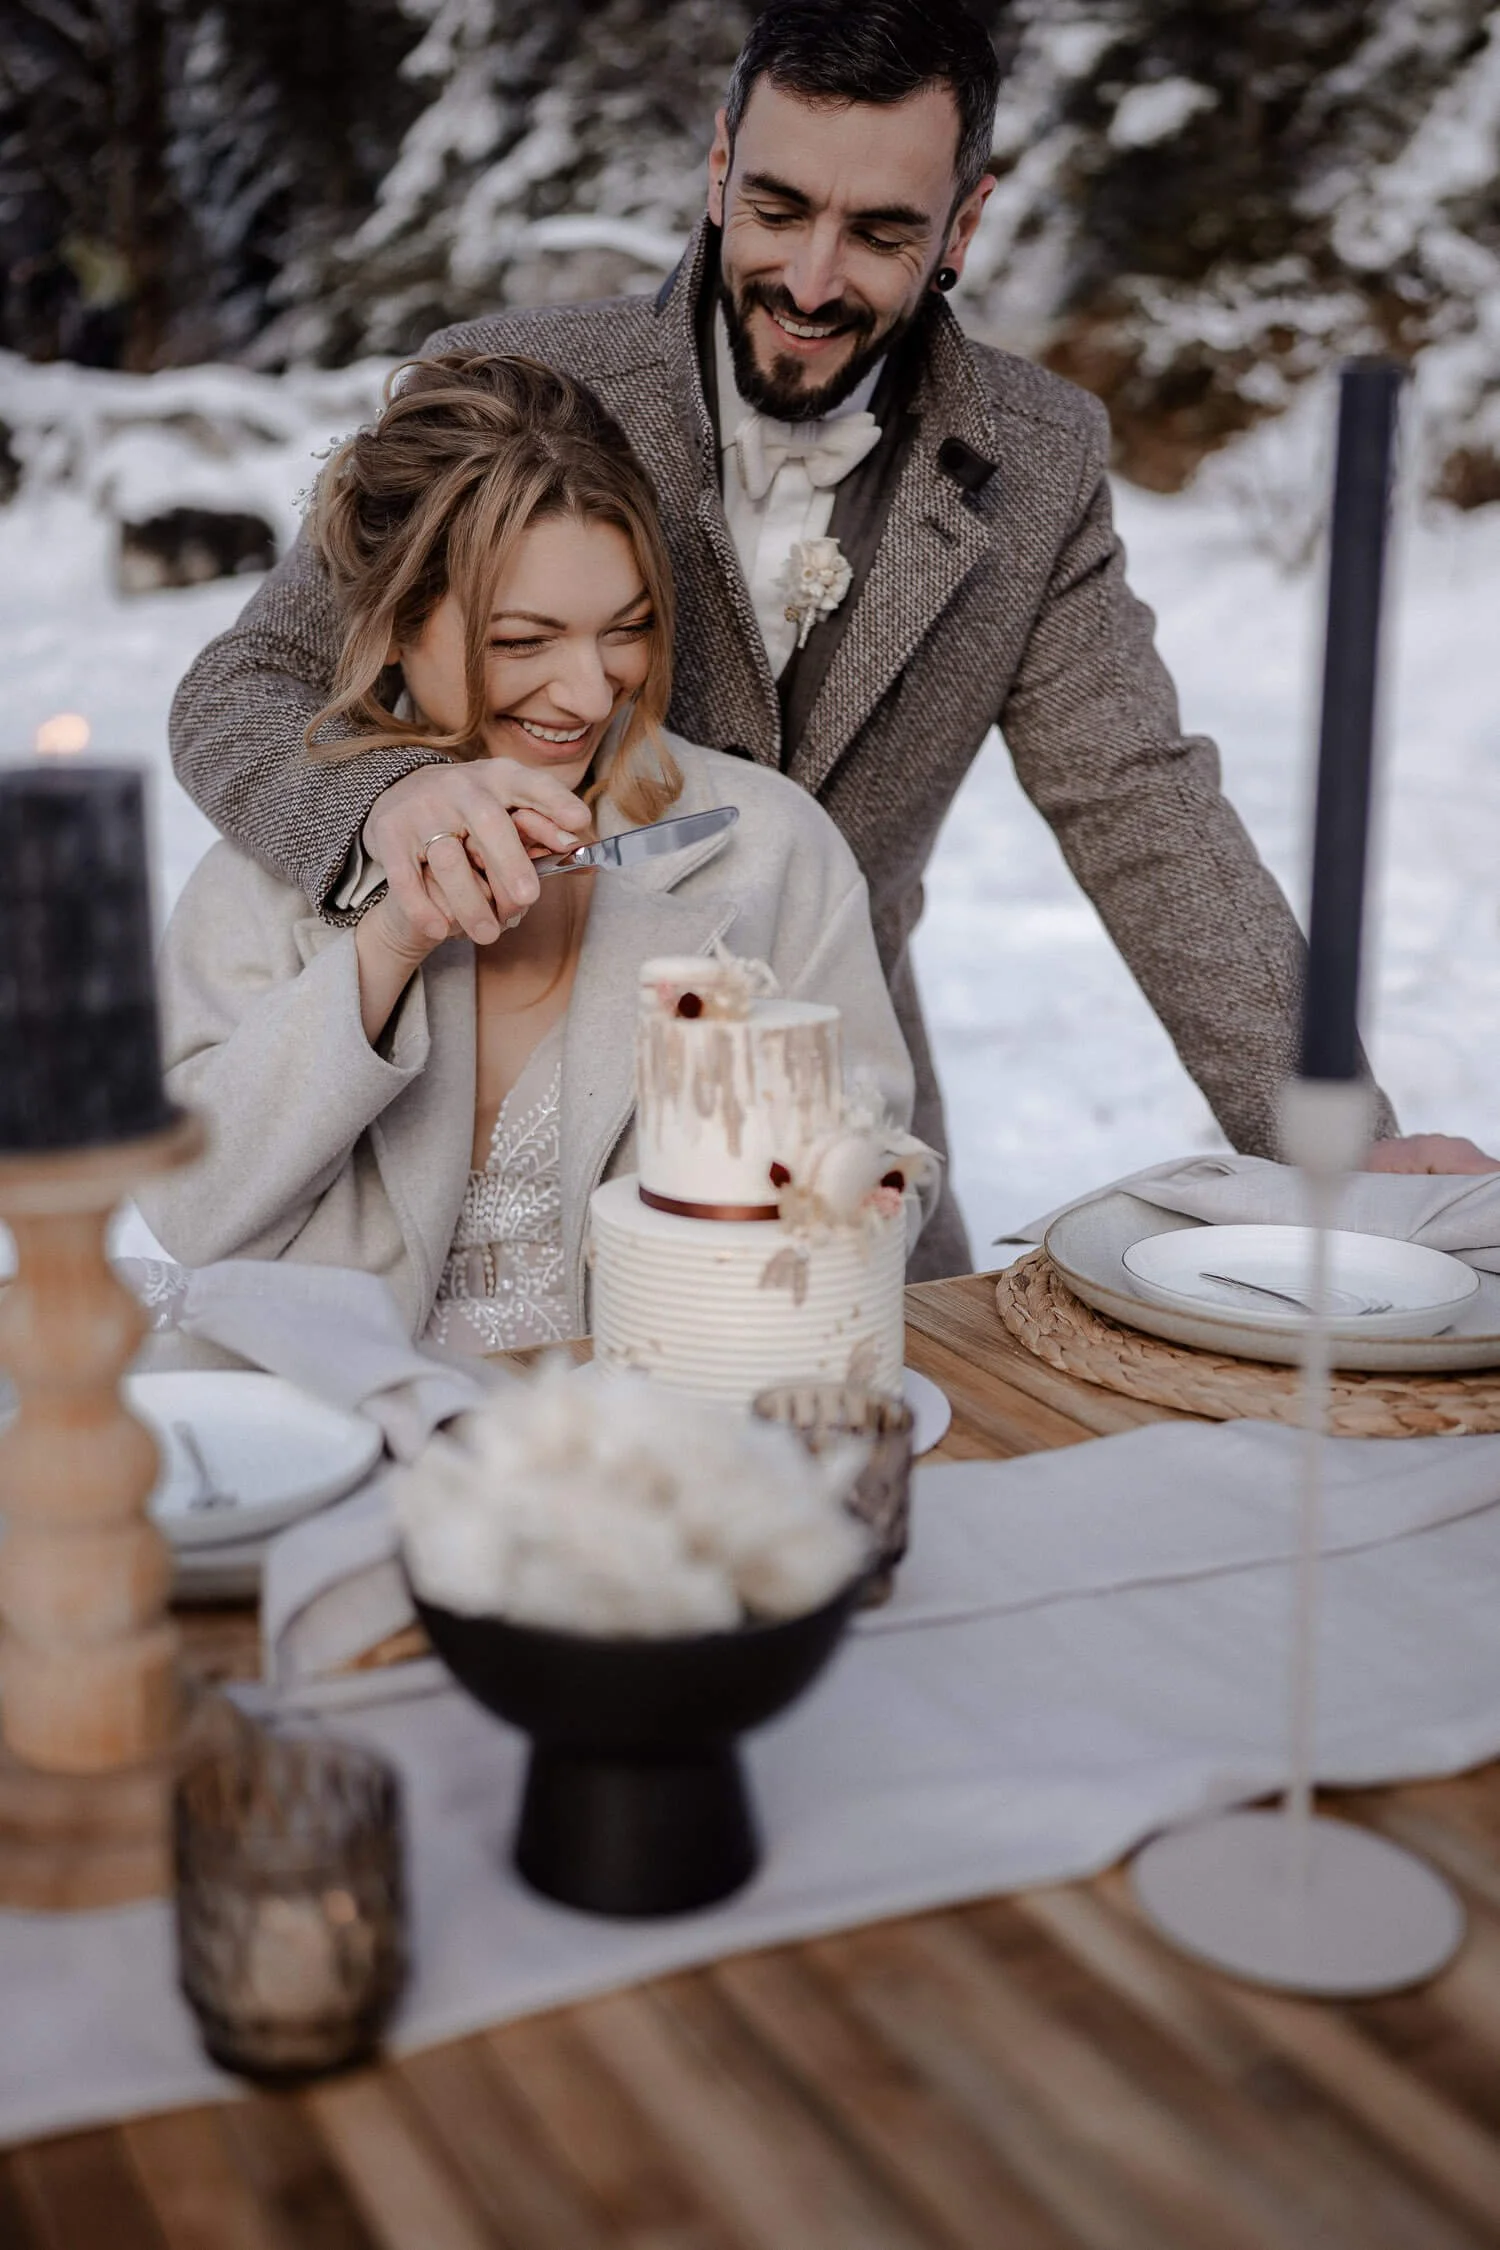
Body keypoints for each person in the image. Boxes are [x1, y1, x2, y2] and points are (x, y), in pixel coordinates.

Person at [168, 0, 1494, 1287]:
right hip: (451, 1120)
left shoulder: (1036, 462)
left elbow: (1140, 799)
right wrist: (397, 804)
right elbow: (243, 685)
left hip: (824, 1130)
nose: (809, 280)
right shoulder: (519, 390)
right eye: (780, 209)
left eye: (879, 232)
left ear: (963, 225)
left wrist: (1334, 1142)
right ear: (718, 170)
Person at [138, 355, 923, 1347]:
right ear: (394, 628)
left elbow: (881, 1183)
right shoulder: (272, 863)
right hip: (337, 1442)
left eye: (627, 630)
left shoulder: (766, 848)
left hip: (667, 1439)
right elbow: (190, 1210)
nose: (590, 695)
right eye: (522, 643)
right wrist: (389, 945)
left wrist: (831, 1193)